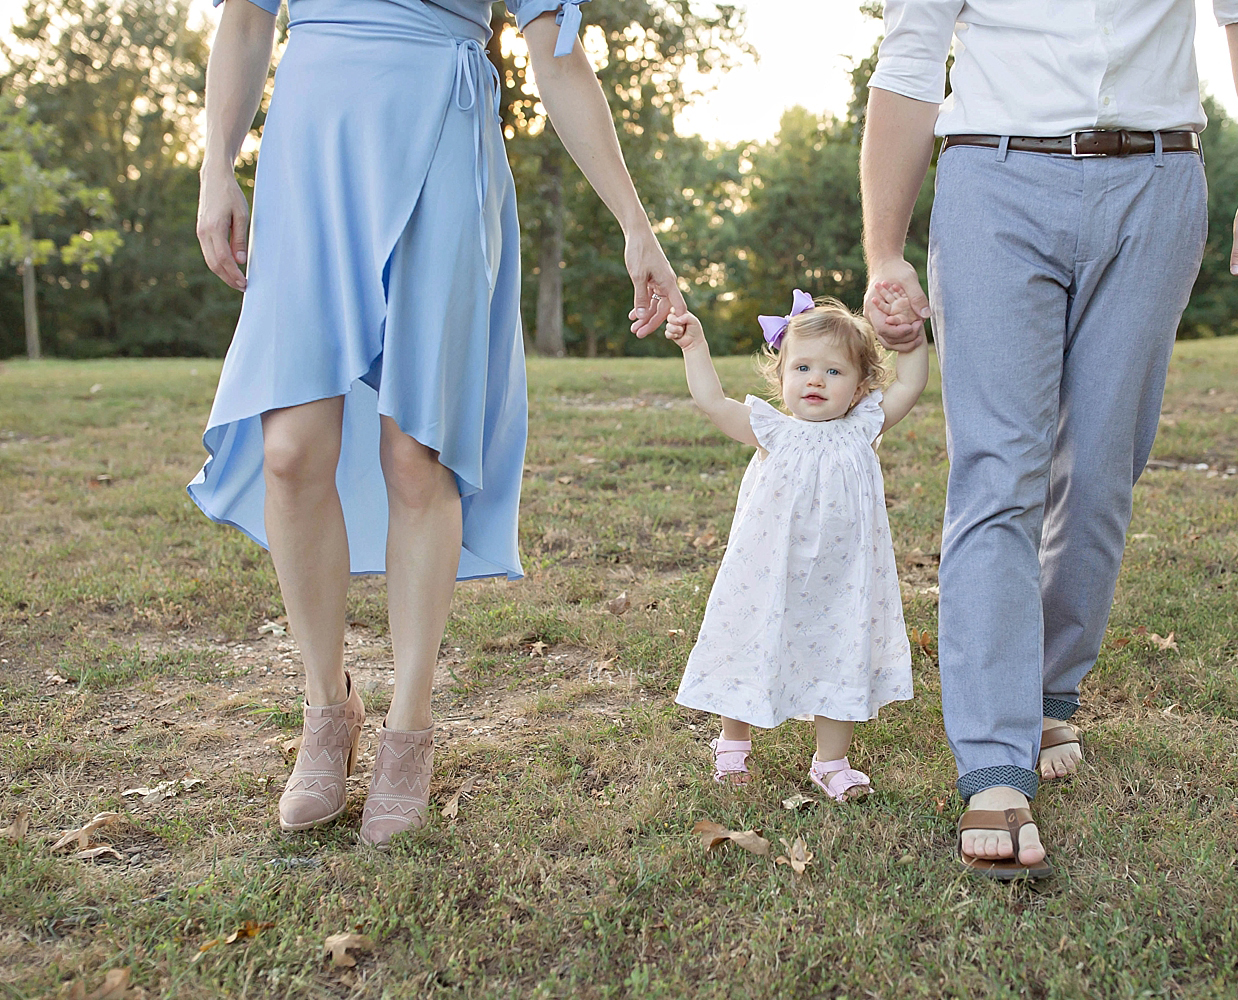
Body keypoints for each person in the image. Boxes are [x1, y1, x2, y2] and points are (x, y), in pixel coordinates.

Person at [190, 0, 685, 846]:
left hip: (443, 140)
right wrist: (216, 167)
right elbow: (244, 20)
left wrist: (636, 224)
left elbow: (557, 57)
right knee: (288, 450)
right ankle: (325, 706)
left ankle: (408, 727)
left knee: (419, 452)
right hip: (314, 141)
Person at [861, 1, 1238, 877]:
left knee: (1103, 469)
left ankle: (1048, 688)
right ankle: (992, 758)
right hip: (994, 180)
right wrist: (884, 252)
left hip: (1157, 182)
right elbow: (908, 66)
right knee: (999, 472)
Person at [668, 287, 928, 800]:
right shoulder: (771, 430)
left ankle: (831, 763)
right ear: (781, 376)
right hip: (768, 572)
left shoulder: (863, 428)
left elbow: (911, 384)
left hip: (844, 578)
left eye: (834, 372)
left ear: (858, 388)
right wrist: (694, 344)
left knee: (841, 649)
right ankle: (732, 743)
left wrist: (913, 338)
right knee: (751, 639)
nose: (815, 379)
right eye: (802, 368)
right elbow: (711, 402)